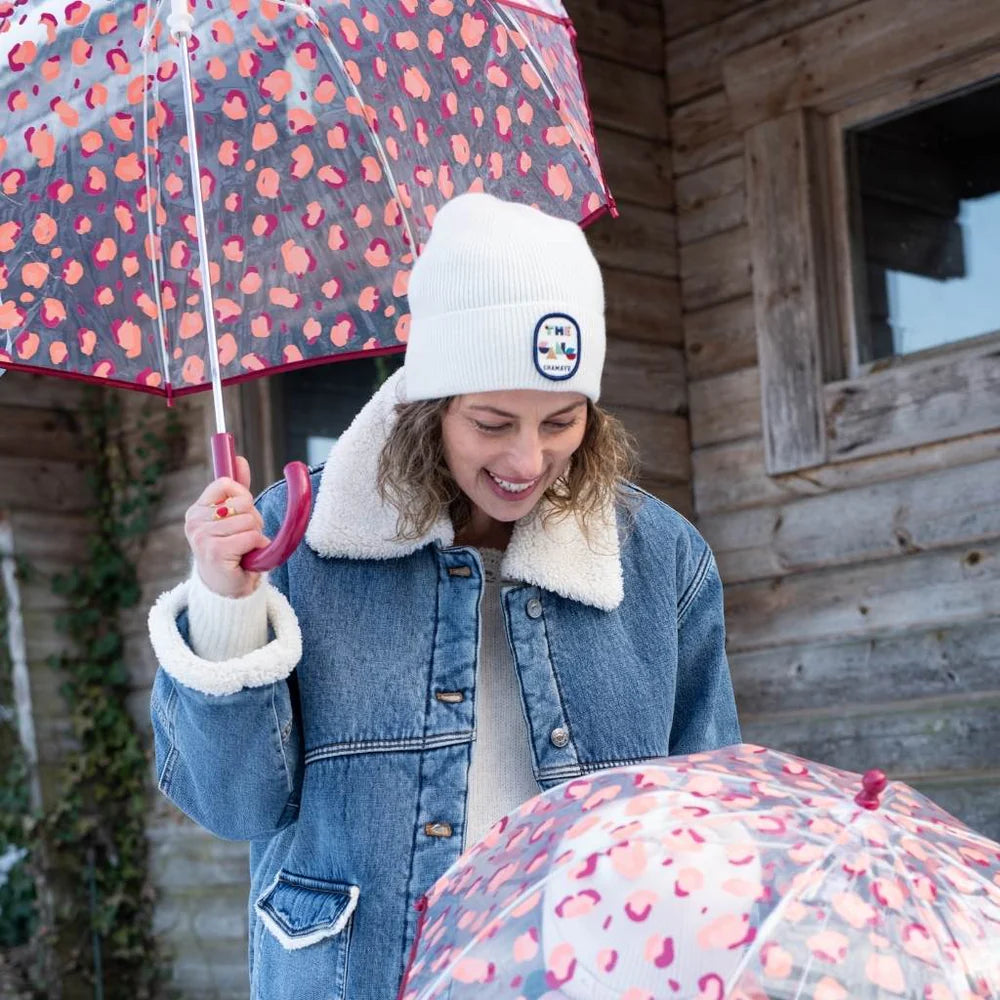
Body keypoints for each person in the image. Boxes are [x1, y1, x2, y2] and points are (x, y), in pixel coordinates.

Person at [147, 192, 740, 1000]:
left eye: (561, 423)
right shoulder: (297, 539)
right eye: (493, 422)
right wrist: (226, 604)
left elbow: (705, 817)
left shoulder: (662, 560)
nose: (528, 460)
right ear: (431, 408)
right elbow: (234, 803)